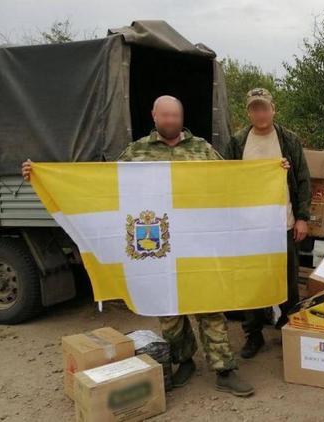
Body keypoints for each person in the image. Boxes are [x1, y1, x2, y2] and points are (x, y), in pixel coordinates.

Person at [23, 95, 258, 397]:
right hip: (158, 244)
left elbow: (232, 182)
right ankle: (183, 360)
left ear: (182, 117)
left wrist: (272, 171)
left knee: (208, 304)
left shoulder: (202, 149)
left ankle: (225, 369)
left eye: (175, 116)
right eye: (165, 116)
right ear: (154, 116)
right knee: (169, 309)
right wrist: (42, 175)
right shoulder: (136, 152)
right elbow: (104, 185)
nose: (171, 121)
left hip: (197, 242)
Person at [226, 87, 312, 359]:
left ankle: (290, 329)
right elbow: (226, 180)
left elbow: (303, 180)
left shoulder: (288, 140)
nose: (260, 113)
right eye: (254, 108)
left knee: (286, 280)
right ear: (248, 112)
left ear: (273, 110)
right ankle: (253, 334)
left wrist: (302, 218)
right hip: (248, 227)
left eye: (264, 107)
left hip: (282, 223)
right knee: (250, 280)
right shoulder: (238, 142)